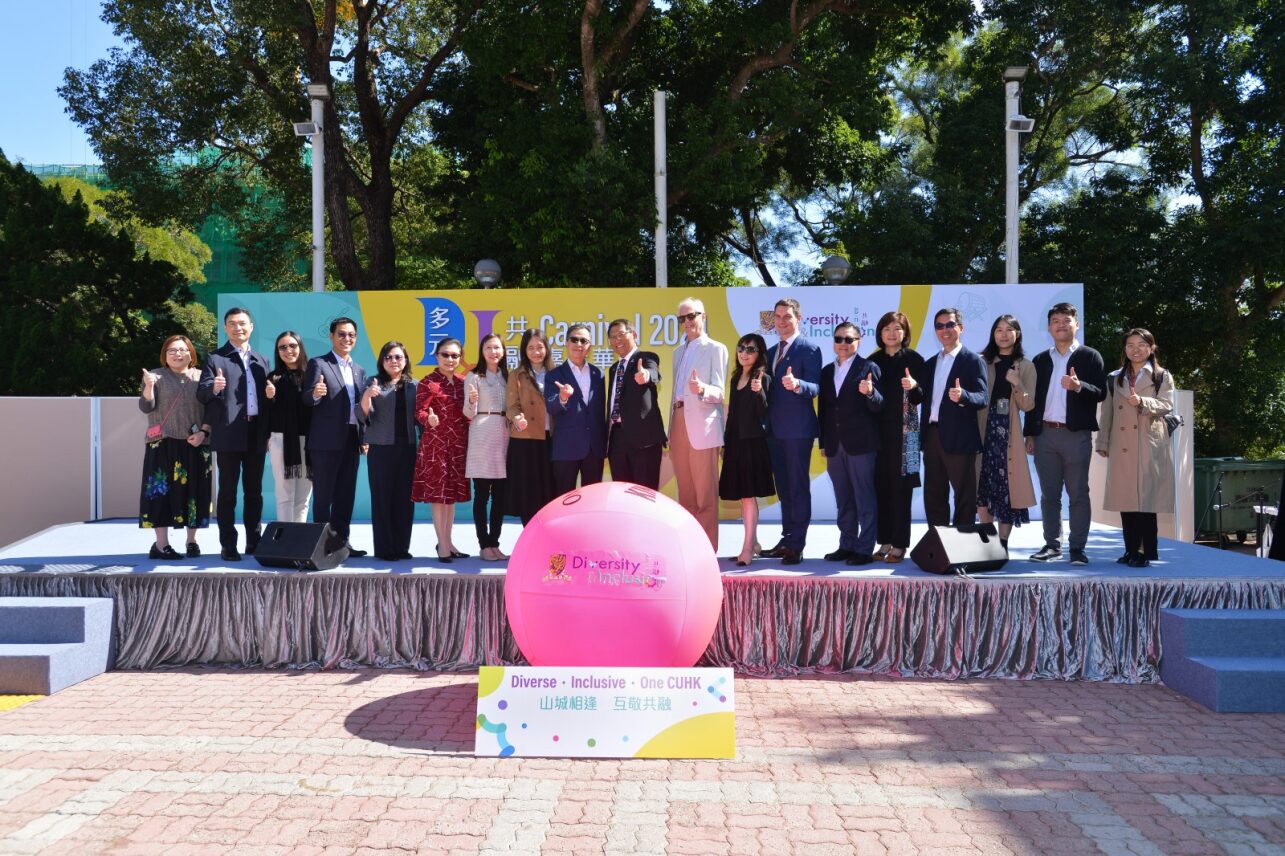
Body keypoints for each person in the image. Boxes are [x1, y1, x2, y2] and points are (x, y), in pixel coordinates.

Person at [1024, 302, 1107, 565]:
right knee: (1049, 495)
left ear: (1076, 324)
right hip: (1045, 434)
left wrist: (1078, 385)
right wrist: (1030, 434)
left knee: (1078, 493)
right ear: (1049, 327)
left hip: (1076, 435)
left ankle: (1077, 549)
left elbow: (1102, 393)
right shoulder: (1040, 359)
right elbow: (1032, 401)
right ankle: (1052, 545)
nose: (1061, 325)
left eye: (1066, 320)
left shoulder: (1090, 356)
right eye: (1056, 320)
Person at [197, 307, 272, 561]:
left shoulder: (262, 360)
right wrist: (215, 388)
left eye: (243, 324)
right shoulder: (215, 358)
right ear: (225, 328)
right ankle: (228, 544)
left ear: (251, 327)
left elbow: (267, 397)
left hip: (256, 432)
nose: (238, 328)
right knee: (227, 492)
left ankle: (255, 541)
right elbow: (202, 394)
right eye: (232, 324)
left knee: (255, 492)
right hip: (228, 432)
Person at [1096, 329, 1175, 568]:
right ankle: (1130, 550)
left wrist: (1143, 401)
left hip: (1148, 443)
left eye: (1141, 344)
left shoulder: (1161, 376)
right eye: (1130, 345)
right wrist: (1102, 441)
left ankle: (1144, 551)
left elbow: (1167, 405)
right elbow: (1107, 411)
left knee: (1145, 500)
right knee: (1126, 500)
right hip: (1122, 445)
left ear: (1152, 348)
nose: (1135, 349)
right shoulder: (1114, 377)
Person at [907, 307, 987, 528]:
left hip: (960, 437)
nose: (945, 330)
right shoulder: (931, 363)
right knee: (934, 494)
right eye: (939, 326)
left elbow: (982, 397)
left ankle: (961, 550)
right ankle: (939, 547)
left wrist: (964, 396)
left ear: (961, 328)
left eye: (950, 324)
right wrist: (913, 388)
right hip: (932, 435)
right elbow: (921, 398)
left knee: (964, 495)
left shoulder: (972, 360)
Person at [139, 335, 212, 559]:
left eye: (182, 350)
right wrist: (149, 387)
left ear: (191, 353)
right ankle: (161, 544)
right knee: (160, 493)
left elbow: (213, 410)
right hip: (162, 443)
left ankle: (192, 540)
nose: (177, 354)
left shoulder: (202, 377)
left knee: (196, 492)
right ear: (165, 354)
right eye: (172, 350)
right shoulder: (155, 376)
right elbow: (146, 406)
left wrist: (204, 432)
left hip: (195, 443)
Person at [762, 298, 822, 565]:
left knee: (798, 488)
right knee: (784, 488)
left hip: (798, 430)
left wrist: (798, 384)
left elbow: (816, 387)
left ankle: (797, 545)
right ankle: (786, 539)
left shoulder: (809, 348)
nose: (782, 322)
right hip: (773, 431)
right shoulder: (771, 350)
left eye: (787, 317)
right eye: (778, 317)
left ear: (799, 318)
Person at [818, 323, 883, 565]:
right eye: (839, 339)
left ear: (859, 341)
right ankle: (846, 544)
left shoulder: (869, 367)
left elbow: (879, 406)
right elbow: (824, 409)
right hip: (835, 446)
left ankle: (864, 549)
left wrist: (869, 393)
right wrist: (823, 441)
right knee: (843, 498)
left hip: (861, 445)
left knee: (864, 498)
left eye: (849, 339)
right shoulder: (826, 371)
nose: (843, 344)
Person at [304, 317, 368, 557]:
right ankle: (320, 546)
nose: (347, 339)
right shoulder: (318, 364)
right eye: (341, 334)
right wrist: (315, 393)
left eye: (351, 334)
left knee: (345, 495)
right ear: (331, 336)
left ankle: (342, 543)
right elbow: (307, 399)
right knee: (323, 496)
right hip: (325, 441)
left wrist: (364, 438)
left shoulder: (359, 370)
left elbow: (361, 407)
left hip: (351, 440)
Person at [669, 298, 728, 549]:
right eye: (682, 318)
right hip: (678, 421)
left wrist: (703, 388)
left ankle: (706, 549)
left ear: (703, 316)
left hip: (703, 424)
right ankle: (688, 548)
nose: (687, 322)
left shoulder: (715, 348)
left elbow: (720, 392)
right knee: (686, 493)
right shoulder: (677, 352)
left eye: (691, 316)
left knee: (705, 494)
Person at [868, 312, 925, 563]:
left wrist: (914, 387)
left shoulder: (914, 359)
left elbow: (922, 397)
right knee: (880, 488)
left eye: (897, 329)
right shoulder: (872, 361)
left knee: (901, 491)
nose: (892, 333)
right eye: (887, 329)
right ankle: (884, 541)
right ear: (880, 333)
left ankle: (900, 544)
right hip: (876, 434)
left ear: (905, 333)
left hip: (905, 435)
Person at [975, 315, 1036, 549]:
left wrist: (1017, 383)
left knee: (1006, 487)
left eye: (1009, 330)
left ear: (1017, 334)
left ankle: (1002, 543)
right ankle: (987, 541)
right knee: (982, 485)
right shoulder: (981, 361)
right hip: (982, 429)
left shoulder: (1026, 365)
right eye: (998, 329)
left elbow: (1029, 405)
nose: (1003, 334)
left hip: (1007, 432)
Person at [718, 333, 775, 567]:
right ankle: (755, 542)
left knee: (749, 497)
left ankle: (747, 548)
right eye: (741, 348)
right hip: (734, 442)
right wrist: (724, 441)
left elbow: (764, 412)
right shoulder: (734, 377)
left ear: (760, 353)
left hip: (753, 443)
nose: (744, 352)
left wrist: (758, 390)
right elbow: (732, 414)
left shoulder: (763, 376)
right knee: (744, 497)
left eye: (750, 349)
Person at [414, 337, 470, 561]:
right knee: (439, 497)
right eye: (445, 354)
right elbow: (419, 411)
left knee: (451, 497)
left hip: (458, 446)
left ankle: (448, 541)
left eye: (455, 355)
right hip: (436, 446)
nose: (450, 359)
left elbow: (469, 413)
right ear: (436, 356)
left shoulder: (464, 382)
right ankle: (443, 545)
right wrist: (429, 419)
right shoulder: (428, 382)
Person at [360, 340, 417, 561]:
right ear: (382, 361)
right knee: (382, 498)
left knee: (404, 499)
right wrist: (367, 396)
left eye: (398, 357)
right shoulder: (373, 383)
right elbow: (361, 415)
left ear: (405, 361)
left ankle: (401, 546)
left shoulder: (414, 385)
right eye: (389, 357)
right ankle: (385, 549)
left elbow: (420, 416)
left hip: (408, 448)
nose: (394, 361)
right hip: (381, 449)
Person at [545, 323, 607, 496]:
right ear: (566, 343)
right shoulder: (554, 375)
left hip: (594, 448)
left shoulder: (598, 374)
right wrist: (562, 397)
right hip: (566, 447)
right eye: (574, 339)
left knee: (592, 499)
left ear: (590, 346)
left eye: (584, 340)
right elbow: (551, 406)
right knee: (564, 498)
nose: (579, 344)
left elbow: (599, 410)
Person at [464, 333, 510, 561]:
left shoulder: (507, 376)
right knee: (482, 494)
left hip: (504, 434)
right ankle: (484, 544)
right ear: (482, 351)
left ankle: (495, 543)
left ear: (503, 351)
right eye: (489, 348)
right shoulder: (474, 376)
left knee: (500, 494)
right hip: (481, 432)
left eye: (497, 348)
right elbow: (467, 413)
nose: (494, 352)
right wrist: (472, 401)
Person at [605, 318, 666, 489]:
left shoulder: (646, 357)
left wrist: (645, 375)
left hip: (643, 439)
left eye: (621, 334)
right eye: (612, 337)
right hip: (616, 440)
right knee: (622, 493)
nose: (617, 340)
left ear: (634, 335)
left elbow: (653, 372)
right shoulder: (613, 368)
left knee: (644, 493)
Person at [505, 329, 557, 525]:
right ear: (524, 350)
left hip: (551, 438)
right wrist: (517, 417)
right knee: (528, 492)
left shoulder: (557, 372)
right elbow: (511, 406)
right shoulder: (516, 375)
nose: (536, 352)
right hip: (525, 440)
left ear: (547, 349)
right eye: (531, 348)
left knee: (549, 490)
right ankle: (529, 535)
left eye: (540, 347)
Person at [266, 331, 312, 524]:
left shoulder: (312, 375)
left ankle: (298, 540)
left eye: (292, 345)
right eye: (283, 347)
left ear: (300, 347)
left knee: (303, 496)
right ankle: (285, 540)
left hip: (309, 441)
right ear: (278, 352)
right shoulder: (273, 377)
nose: (288, 350)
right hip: (281, 440)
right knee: (284, 494)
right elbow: (266, 414)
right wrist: (269, 397)